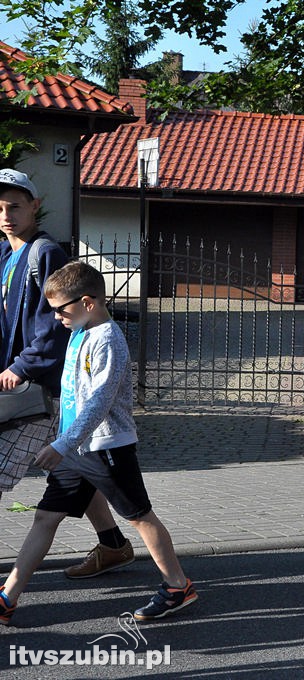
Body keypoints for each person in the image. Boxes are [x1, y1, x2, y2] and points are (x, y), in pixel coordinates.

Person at [0, 261, 197, 625]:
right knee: (45, 517)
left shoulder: (108, 339)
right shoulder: (80, 330)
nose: (55, 316)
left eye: (61, 308)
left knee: (139, 516)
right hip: (76, 449)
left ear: (88, 302)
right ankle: (7, 597)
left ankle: (177, 586)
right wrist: (63, 439)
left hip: (107, 447)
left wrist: (61, 444)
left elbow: (99, 402)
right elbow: (74, 392)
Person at [0, 169, 135, 580]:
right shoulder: (6, 254)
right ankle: (113, 544)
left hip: (39, 387)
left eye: (15, 206)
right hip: (32, 386)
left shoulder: (44, 254)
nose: (7, 215)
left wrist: (19, 367)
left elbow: (54, 326)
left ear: (35, 206)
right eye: (0, 208)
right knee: (68, 467)